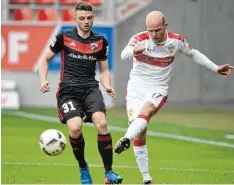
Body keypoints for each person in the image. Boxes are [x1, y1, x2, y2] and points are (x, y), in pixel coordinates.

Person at [113, 11, 234, 184]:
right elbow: (124, 54)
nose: (153, 34)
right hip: (135, 89)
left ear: (165, 26)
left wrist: (215, 68)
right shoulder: (139, 39)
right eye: (150, 30)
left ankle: (125, 138)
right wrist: (134, 50)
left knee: (147, 111)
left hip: (157, 89)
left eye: (157, 30)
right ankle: (147, 180)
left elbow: (193, 53)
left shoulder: (175, 41)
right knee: (140, 131)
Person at [39, 2, 122, 184]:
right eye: (82, 18)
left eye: (90, 18)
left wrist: (107, 85)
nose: (86, 21)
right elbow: (44, 60)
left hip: (90, 89)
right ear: (75, 19)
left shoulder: (100, 41)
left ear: (93, 18)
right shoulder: (64, 37)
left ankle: (108, 172)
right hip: (68, 92)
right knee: (75, 128)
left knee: (102, 124)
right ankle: (83, 167)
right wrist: (43, 79)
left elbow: (104, 69)